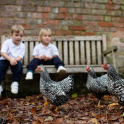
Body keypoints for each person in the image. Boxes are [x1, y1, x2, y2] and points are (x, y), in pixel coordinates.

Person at [0, 25, 25, 95]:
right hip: (5, 59)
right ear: (11, 35)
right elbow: (2, 53)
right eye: (16, 35)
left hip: (15, 61)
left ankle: (15, 83)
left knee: (19, 66)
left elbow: (20, 57)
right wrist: (10, 59)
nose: (19, 37)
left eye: (21, 35)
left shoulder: (22, 45)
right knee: (0, 67)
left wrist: (14, 60)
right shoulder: (7, 42)